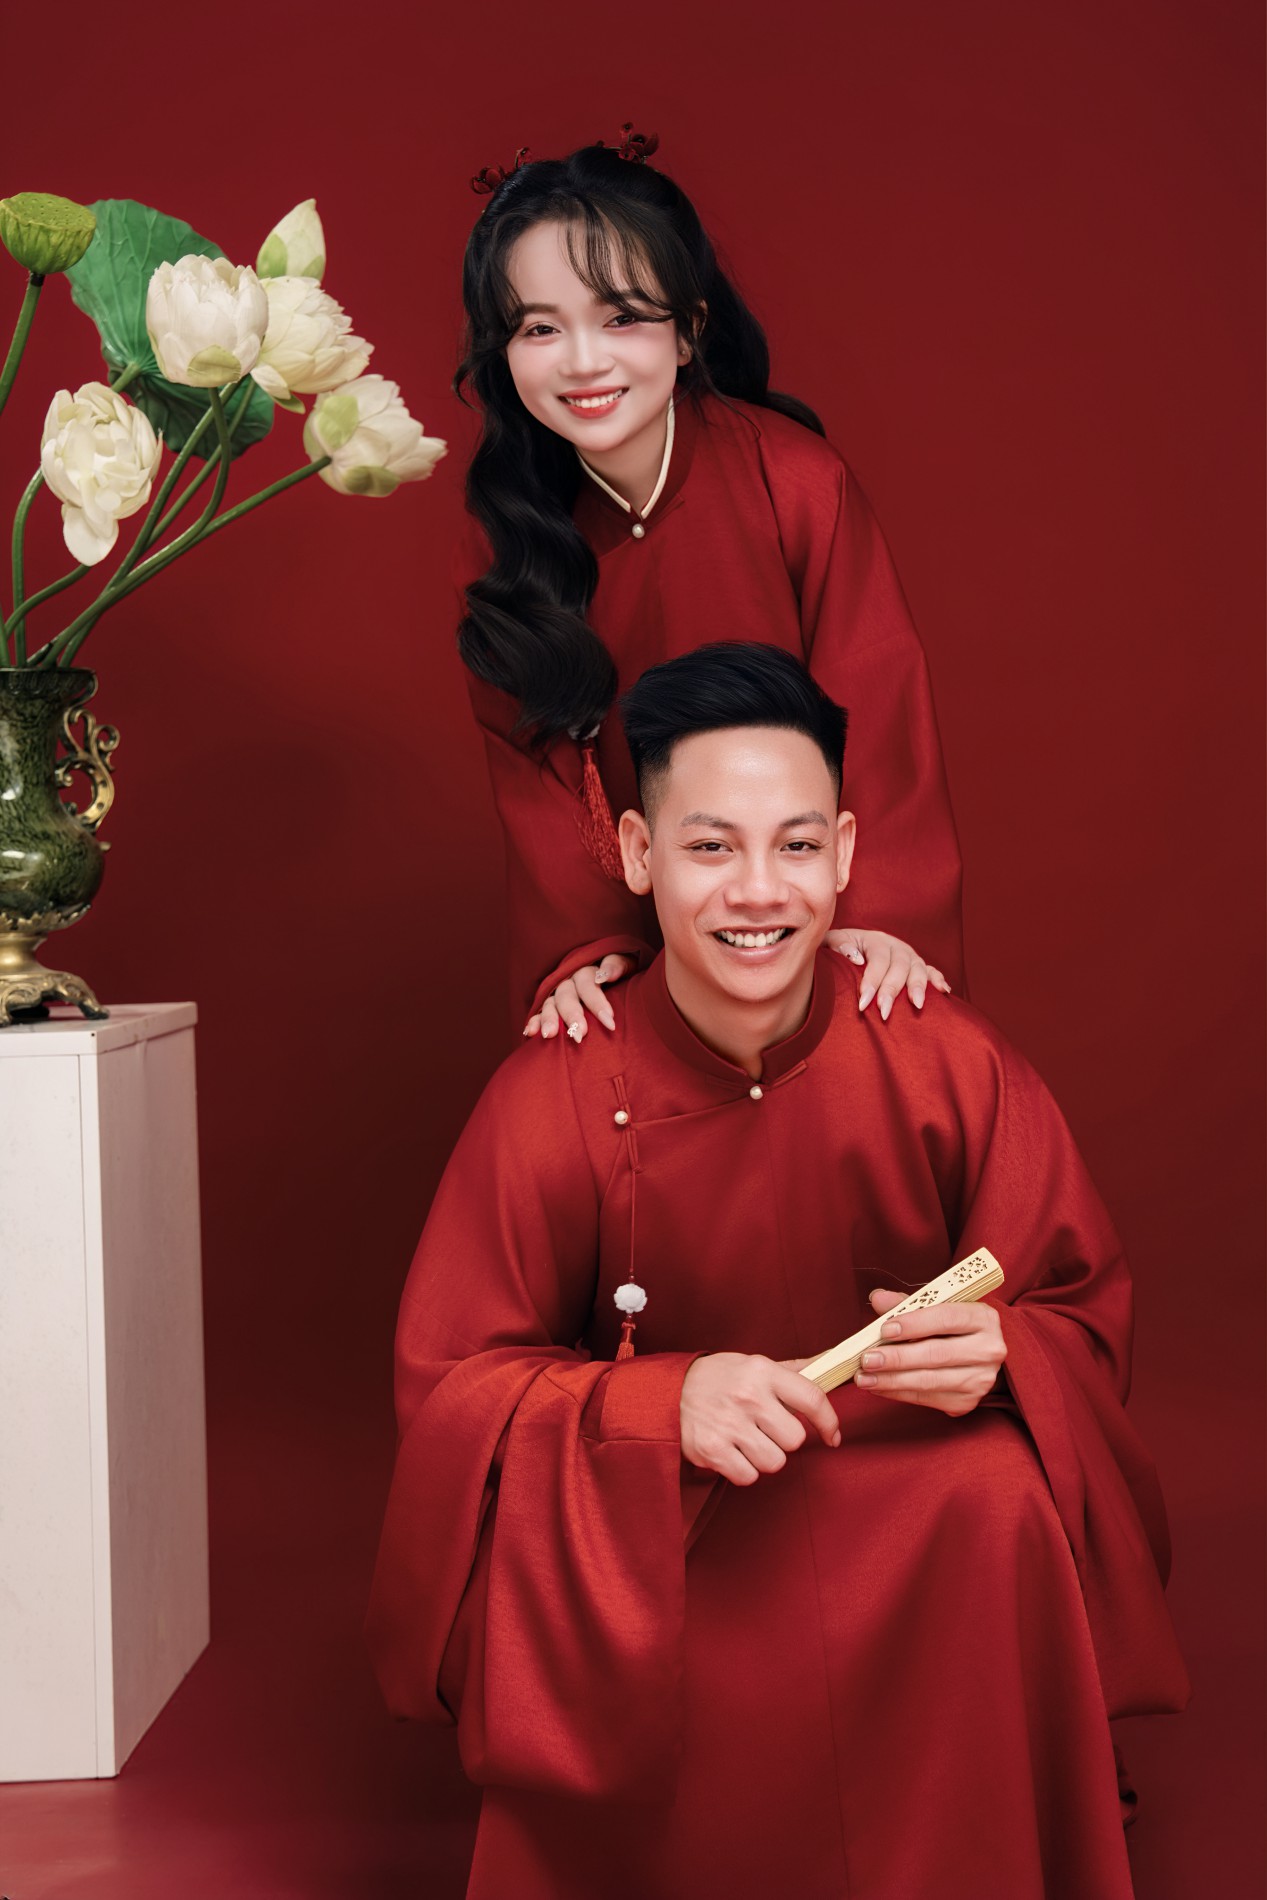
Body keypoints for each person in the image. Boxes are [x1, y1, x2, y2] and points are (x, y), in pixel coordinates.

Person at [367, 642, 1187, 1900]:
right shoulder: (554, 1090)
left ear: (846, 855)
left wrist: (1005, 1356)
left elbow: (1075, 1305)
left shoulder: (943, 1054)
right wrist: (660, 1404)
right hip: (671, 1528)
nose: (758, 891)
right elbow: (452, 1394)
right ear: (638, 854)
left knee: (999, 1497)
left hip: (902, 1509)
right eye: (710, 847)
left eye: (796, 845)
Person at [455, 133, 964, 1038]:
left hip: (808, 913)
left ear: (688, 329)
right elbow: (532, 777)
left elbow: (880, 706)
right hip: (639, 936)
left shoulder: (796, 483)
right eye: (539, 328)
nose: (582, 361)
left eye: (621, 317)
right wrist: (581, 950)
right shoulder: (514, 536)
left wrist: (879, 914)